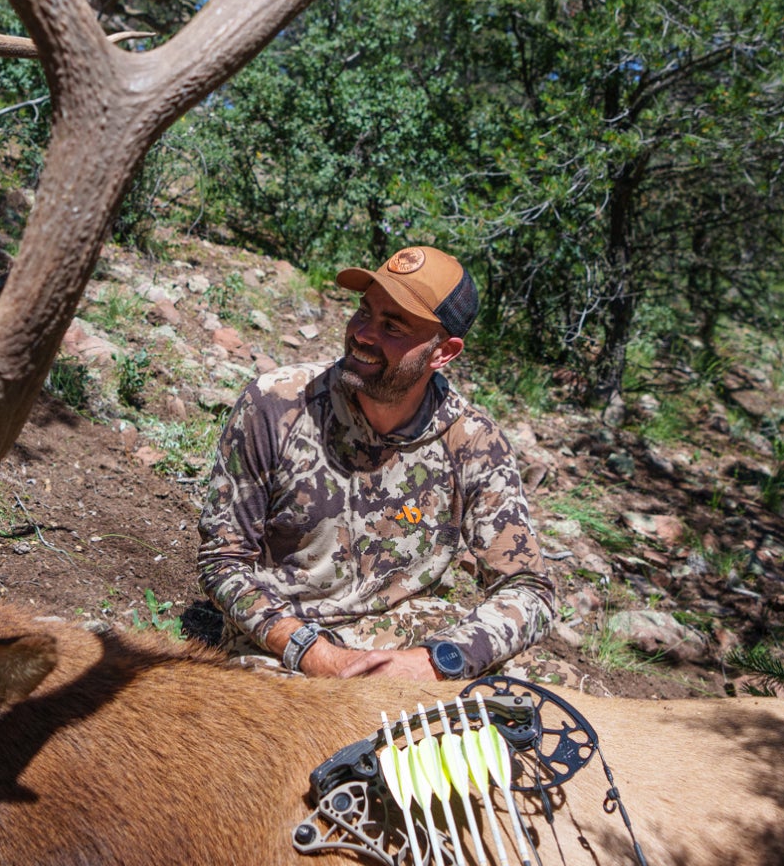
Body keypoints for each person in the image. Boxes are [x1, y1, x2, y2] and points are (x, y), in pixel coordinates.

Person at [194, 245, 554, 680]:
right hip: (285, 647)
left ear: (443, 352)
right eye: (364, 312)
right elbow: (222, 561)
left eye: (393, 326)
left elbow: (528, 589)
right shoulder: (276, 405)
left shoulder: (472, 442)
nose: (363, 334)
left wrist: (437, 660)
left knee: (532, 707)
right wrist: (314, 654)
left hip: (410, 646)